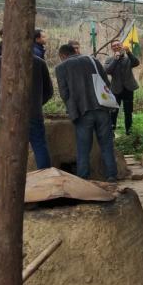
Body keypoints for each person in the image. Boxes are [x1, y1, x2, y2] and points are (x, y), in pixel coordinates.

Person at [55, 43, 118, 182]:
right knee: (106, 144)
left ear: (62, 55)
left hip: (82, 111)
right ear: (74, 51)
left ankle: (83, 178)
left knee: (83, 147)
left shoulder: (61, 68)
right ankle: (111, 175)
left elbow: (64, 93)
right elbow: (106, 83)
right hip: (102, 108)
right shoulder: (92, 60)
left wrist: (72, 106)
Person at [0, 51, 53, 169]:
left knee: (10, 147)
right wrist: (36, 104)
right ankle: (46, 175)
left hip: (9, 114)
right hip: (34, 113)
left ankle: (9, 175)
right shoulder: (40, 62)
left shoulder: (3, 60)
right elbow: (49, 91)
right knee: (39, 145)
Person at [104, 40, 140, 135]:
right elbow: (107, 71)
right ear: (112, 48)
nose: (116, 47)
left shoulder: (128, 58)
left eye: (118, 45)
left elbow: (136, 63)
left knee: (128, 112)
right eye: (114, 46)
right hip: (116, 89)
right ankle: (112, 132)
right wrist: (115, 59)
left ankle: (129, 131)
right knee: (113, 112)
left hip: (129, 88)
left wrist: (129, 52)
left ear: (122, 46)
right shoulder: (109, 60)